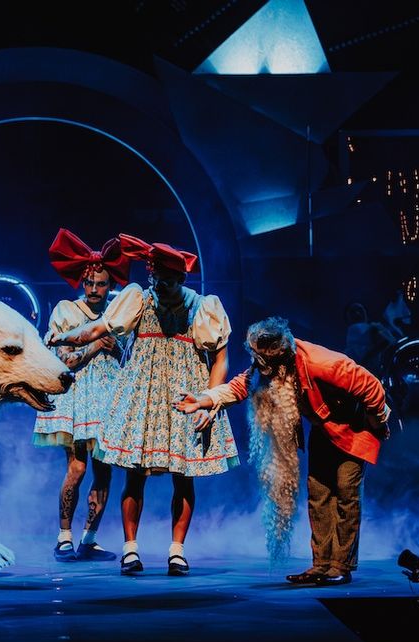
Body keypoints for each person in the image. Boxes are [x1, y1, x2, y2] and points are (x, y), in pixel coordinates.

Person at [49, 233, 238, 577]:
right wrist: (63, 336)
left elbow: (220, 356)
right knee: (134, 475)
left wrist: (210, 401)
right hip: (143, 393)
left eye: (167, 282)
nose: (160, 288)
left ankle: (177, 551)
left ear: (181, 279)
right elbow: (97, 329)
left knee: (184, 476)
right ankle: (130, 549)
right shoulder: (138, 300)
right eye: (156, 280)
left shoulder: (202, 306)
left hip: (186, 395)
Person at [176, 317, 390, 585]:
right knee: (319, 493)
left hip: (353, 429)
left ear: (278, 360)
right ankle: (321, 564)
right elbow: (239, 387)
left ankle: (340, 566)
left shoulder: (323, 364)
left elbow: (371, 386)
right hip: (324, 429)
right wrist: (203, 400)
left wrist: (378, 420)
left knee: (346, 493)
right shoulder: (268, 368)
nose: (259, 368)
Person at [33, 228, 130, 562]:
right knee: (76, 469)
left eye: (100, 284)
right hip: (78, 399)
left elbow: (130, 360)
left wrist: (116, 350)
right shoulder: (66, 310)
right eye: (89, 283)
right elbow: (65, 360)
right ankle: (64, 536)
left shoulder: (119, 315)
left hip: (108, 397)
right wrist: (94, 347)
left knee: (105, 471)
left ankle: (89, 538)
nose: (93, 289)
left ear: (109, 285)